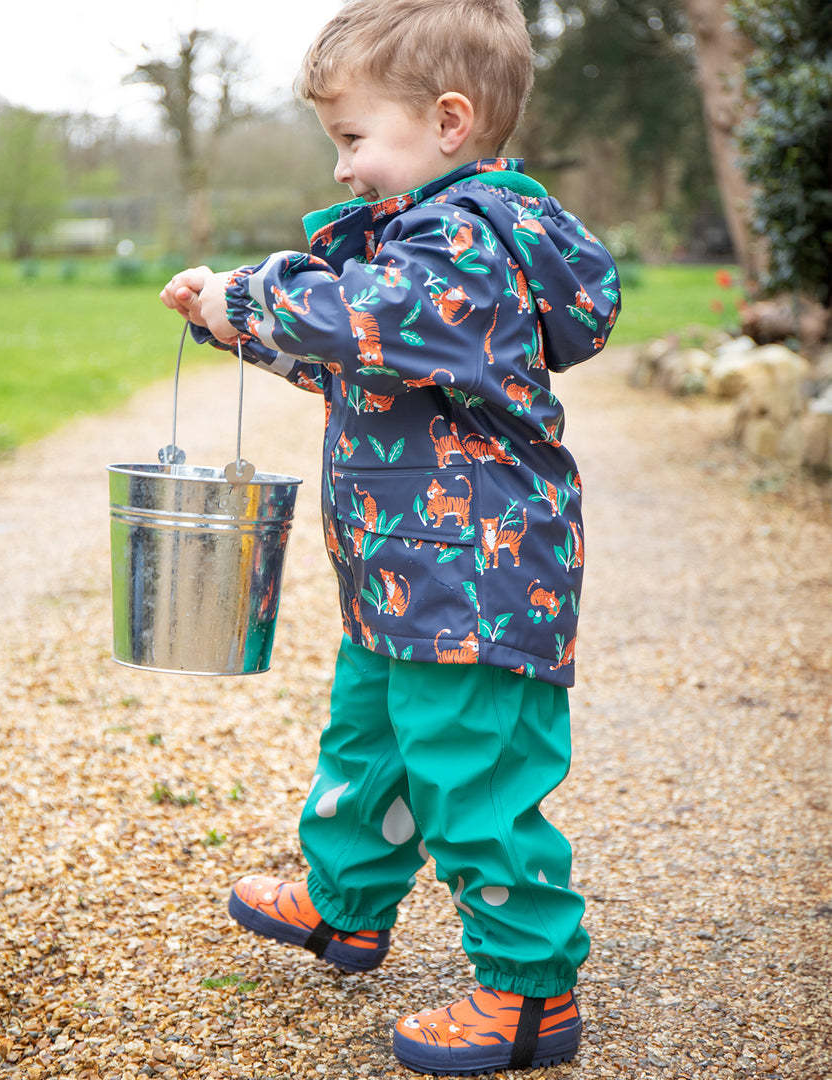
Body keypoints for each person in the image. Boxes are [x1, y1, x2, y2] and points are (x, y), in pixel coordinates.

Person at [160, 0, 620, 1073]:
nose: (340, 170)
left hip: (481, 582)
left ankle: (528, 996)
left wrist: (254, 291)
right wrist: (229, 327)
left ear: (449, 122)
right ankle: (348, 910)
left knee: (474, 780)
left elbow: (363, 312)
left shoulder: (469, 240)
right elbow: (355, 352)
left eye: (353, 139)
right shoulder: (422, 246)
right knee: (368, 751)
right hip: (403, 576)